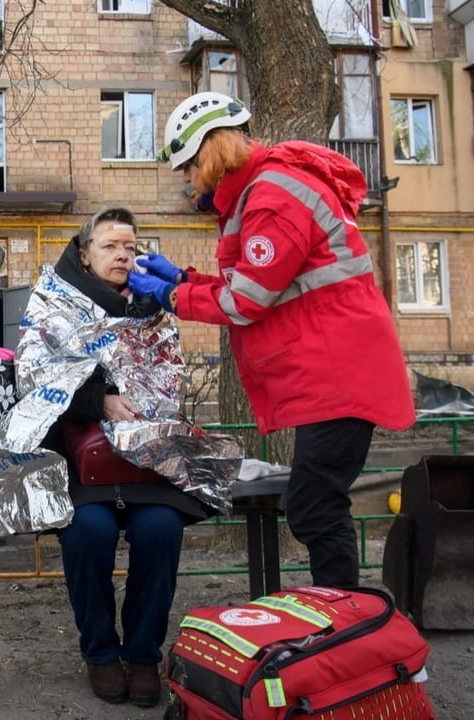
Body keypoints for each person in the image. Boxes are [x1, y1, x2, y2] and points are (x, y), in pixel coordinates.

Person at [129, 91, 416, 590]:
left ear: (209, 153)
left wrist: (172, 297)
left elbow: (245, 302)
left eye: (188, 167)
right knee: (317, 502)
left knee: (315, 505)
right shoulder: (261, 193)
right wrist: (184, 280)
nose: (187, 180)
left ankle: (346, 621)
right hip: (333, 373)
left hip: (338, 377)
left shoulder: (272, 199)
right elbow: (255, 285)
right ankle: (343, 618)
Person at [39, 208, 214, 707]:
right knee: (88, 532)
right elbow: (34, 380)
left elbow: (169, 381)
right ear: (84, 252)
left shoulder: (151, 307)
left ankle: (142, 655)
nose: (122, 254)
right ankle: (99, 653)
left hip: (145, 463)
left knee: (160, 529)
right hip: (83, 463)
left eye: (130, 247)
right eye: (110, 245)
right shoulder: (54, 305)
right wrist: (100, 399)